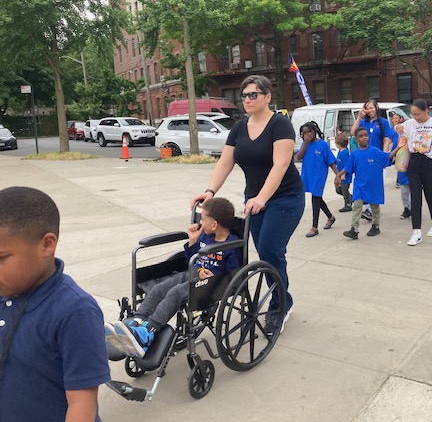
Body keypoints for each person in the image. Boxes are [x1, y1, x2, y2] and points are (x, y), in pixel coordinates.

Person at [191, 75, 304, 336]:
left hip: (285, 198)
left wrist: (263, 198)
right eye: (244, 96)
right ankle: (281, 297)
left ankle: (280, 306)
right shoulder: (239, 128)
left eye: (253, 94)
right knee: (264, 254)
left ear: (267, 97)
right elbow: (225, 163)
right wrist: (209, 191)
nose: (247, 100)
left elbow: (281, 164)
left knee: (270, 250)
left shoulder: (280, 125)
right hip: (254, 200)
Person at [0, 186, 110, 422]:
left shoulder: (75, 312)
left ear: (47, 245)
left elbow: (82, 403)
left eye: (1, 258)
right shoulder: (5, 290)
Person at [107, 198, 243, 357]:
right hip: (193, 274)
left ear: (214, 224)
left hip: (209, 284)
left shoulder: (232, 245)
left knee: (175, 293)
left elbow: (234, 274)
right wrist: (193, 241)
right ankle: (136, 321)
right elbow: (193, 260)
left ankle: (148, 331)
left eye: (203, 218)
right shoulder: (205, 236)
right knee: (160, 288)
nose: (200, 221)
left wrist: (216, 277)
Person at [395, 99, 432, 246]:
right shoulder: (410, 123)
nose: (416, 117)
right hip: (413, 162)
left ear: (426, 111)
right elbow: (398, 128)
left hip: (429, 162)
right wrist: (398, 127)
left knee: (430, 195)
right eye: (413, 114)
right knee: (415, 196)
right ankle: (416, 231)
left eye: (418, 114)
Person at [335, 127, 405, 239]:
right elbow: (348, 167)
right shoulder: (354, 154)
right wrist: (338, 175)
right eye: (361, 136)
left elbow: (387, 157)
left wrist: (398, 147)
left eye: (365, 135)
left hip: (373, 184)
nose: (364, 138)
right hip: (359, 185)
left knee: (374, 206)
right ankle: (354, 229)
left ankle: (375, 226)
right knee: (357, 205)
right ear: (356, 139)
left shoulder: (375, 151)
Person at [351, 98, 393, 221]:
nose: (370, 110)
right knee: (364, 181)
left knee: (374, 183)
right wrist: (359, 117)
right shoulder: (364, 122)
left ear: (376, 108)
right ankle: (368, 208)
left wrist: (384, 155)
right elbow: (353, 133)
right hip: (363, 157)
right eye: (367, 108)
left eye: (371, 108)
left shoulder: (383, 122)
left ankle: (369, 210)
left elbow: (387, 139)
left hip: (376, 156)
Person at [296, 121, 338, 237]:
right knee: (317, 198)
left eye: (309, 132)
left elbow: (331, 161)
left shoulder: (323, 145)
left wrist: (337, 175)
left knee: (315, 198)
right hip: (308, 175)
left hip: (319, 175)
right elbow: (298, 156)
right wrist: (305, 143)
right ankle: (330, 217)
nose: (307, 134)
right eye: (304, 133)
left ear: (314, 131)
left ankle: (314, 227)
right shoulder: (305, 144)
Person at [335, 133, 353, 212]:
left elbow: (346, 166)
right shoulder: (340, 151)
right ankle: (352, 198)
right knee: (338, 190)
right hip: (340, 175)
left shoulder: (345, 153)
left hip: (345, 177)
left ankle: (348, 205)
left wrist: (343, 175)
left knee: (344, 191)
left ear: (339, 144)